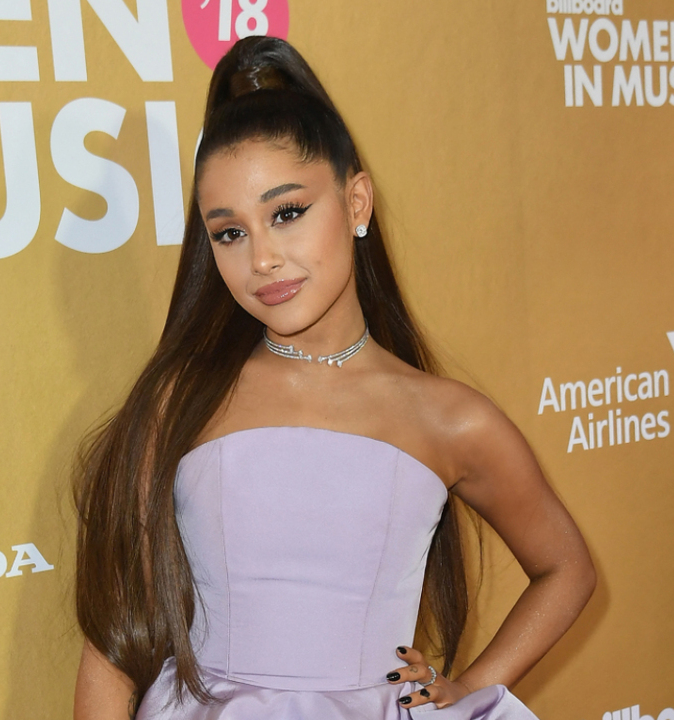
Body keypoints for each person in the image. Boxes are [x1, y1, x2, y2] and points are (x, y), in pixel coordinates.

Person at [73, 36, 596, 719]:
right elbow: (115, 641)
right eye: (230, 232)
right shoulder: (181, 400)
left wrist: (472, 686)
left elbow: (565, 568)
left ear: (357, 203)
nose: (262, 258)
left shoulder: (450, 419)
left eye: (287, 213)